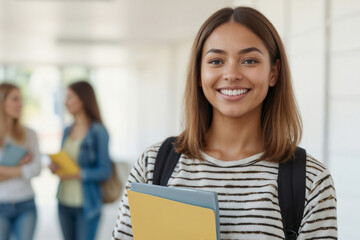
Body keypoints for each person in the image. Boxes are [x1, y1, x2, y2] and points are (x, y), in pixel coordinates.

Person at [111, 6, 337, 240]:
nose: (231, 74)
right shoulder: (152, 165)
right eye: (216, 61)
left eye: (249, 60)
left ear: (274, 72)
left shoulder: (311, 180)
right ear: (199, 73)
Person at [49, 81, 112, 240]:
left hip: (87, 205)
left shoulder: (98, 131)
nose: (65, 102)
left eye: (69, 97)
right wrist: (56, 167)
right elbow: (65, 160)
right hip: (63, 202)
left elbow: (105, 170)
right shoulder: (67, 130)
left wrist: (77, 174)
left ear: (82, 100)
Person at [0, 83, 41, 240]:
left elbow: (36, 169)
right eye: (15, 99)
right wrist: (19, 166)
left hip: (26, 203)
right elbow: (28, 170)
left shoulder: (29, 134)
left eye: (21, 99)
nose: (20, 104)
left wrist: (3, 170)